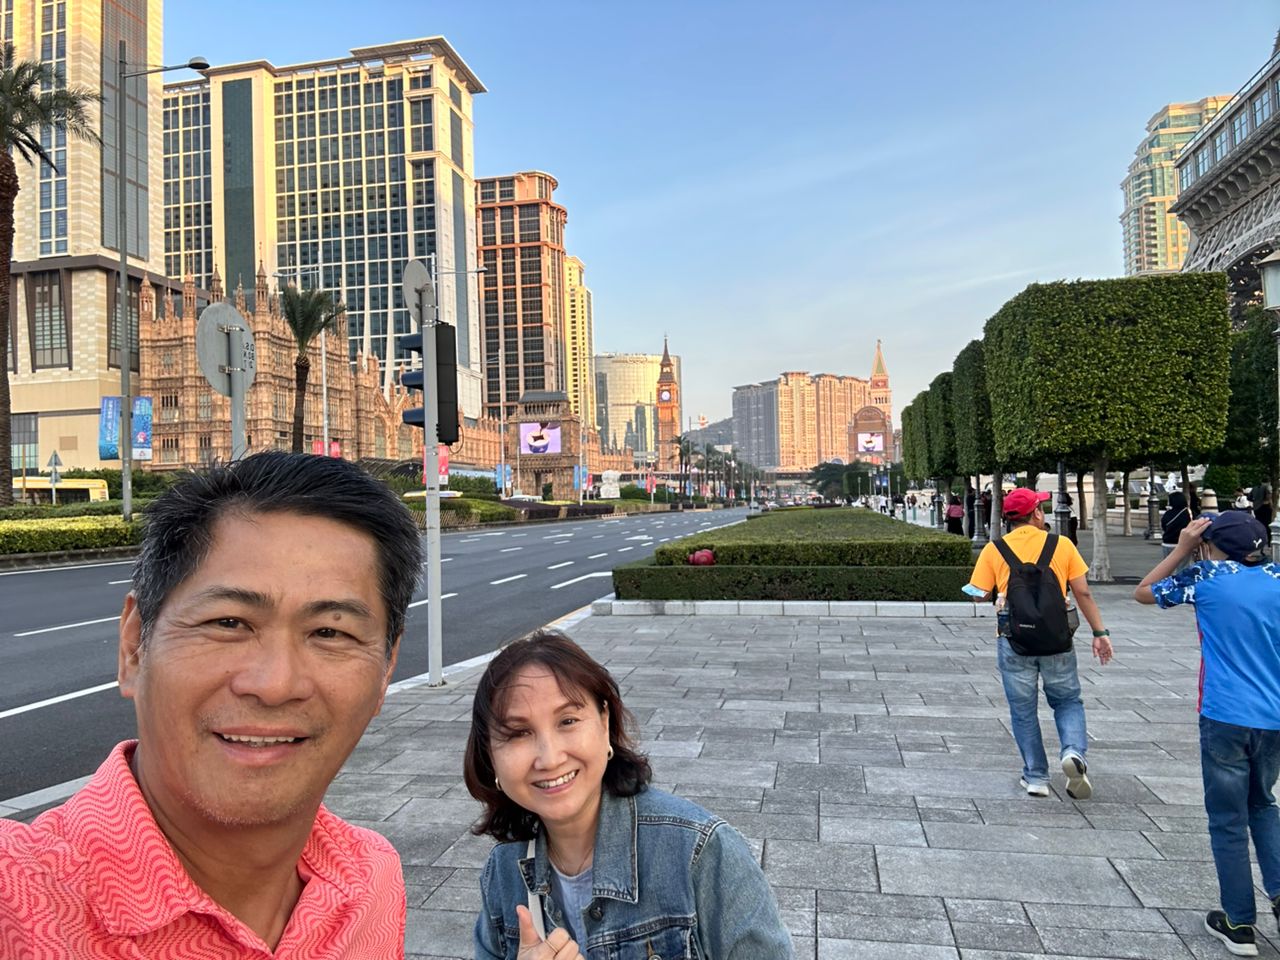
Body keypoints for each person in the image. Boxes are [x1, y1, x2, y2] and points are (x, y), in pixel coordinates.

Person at [0, 452, 423, 957]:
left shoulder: (372, 880)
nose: (275, 683)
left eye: (330, 632)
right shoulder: (20, 901)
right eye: (228, 623)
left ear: (385, 670)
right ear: (135, 646)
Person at [465, 630, 793, 960]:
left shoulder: (700, 853)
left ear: (604, 721)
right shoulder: (504, 873)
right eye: (519, 733)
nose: (549, 758)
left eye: (568, 720)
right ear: (490, 754)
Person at [1135, 511, 1280, 957]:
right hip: (1273, 717)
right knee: (1263, 804)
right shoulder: (1277, 577)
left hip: (1224, 714)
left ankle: (1238, 923)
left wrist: (1181, 549)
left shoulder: (1207, 578)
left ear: (1211, 546)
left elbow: (1143, 593)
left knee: (1227, 819)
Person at [966, 488, 1113, 799]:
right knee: (1068, 700)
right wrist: (1100, 633)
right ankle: (1073, 752)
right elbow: (1083, 593)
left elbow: (980, 593)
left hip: (1014, 639)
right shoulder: (1062, 544)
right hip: (1056, 638)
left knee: (1023, 710)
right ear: (1035, 514)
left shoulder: (995, 549)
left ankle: (1036, 777)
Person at [1162, 491, 1193, 571]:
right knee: (1183, 568)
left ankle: (1169, 582)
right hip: (1183, 543)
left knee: (1167, 568)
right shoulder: (1188, 513)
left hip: (1167, 543)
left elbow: (1164, 526)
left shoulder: (1168, 513)